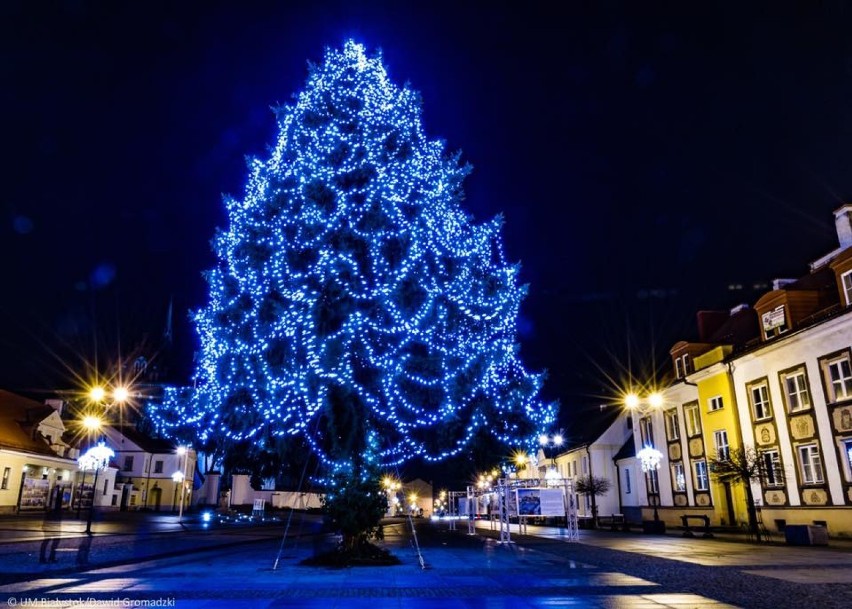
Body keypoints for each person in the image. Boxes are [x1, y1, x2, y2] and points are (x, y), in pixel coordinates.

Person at [40, 491, 63, 563]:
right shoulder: (56, 508)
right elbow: (56, 517)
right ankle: (50, 557)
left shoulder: (52, 507)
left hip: (50, 526)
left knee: (47, 541)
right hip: (53, 526)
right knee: (53, 541)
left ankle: (43, 557)